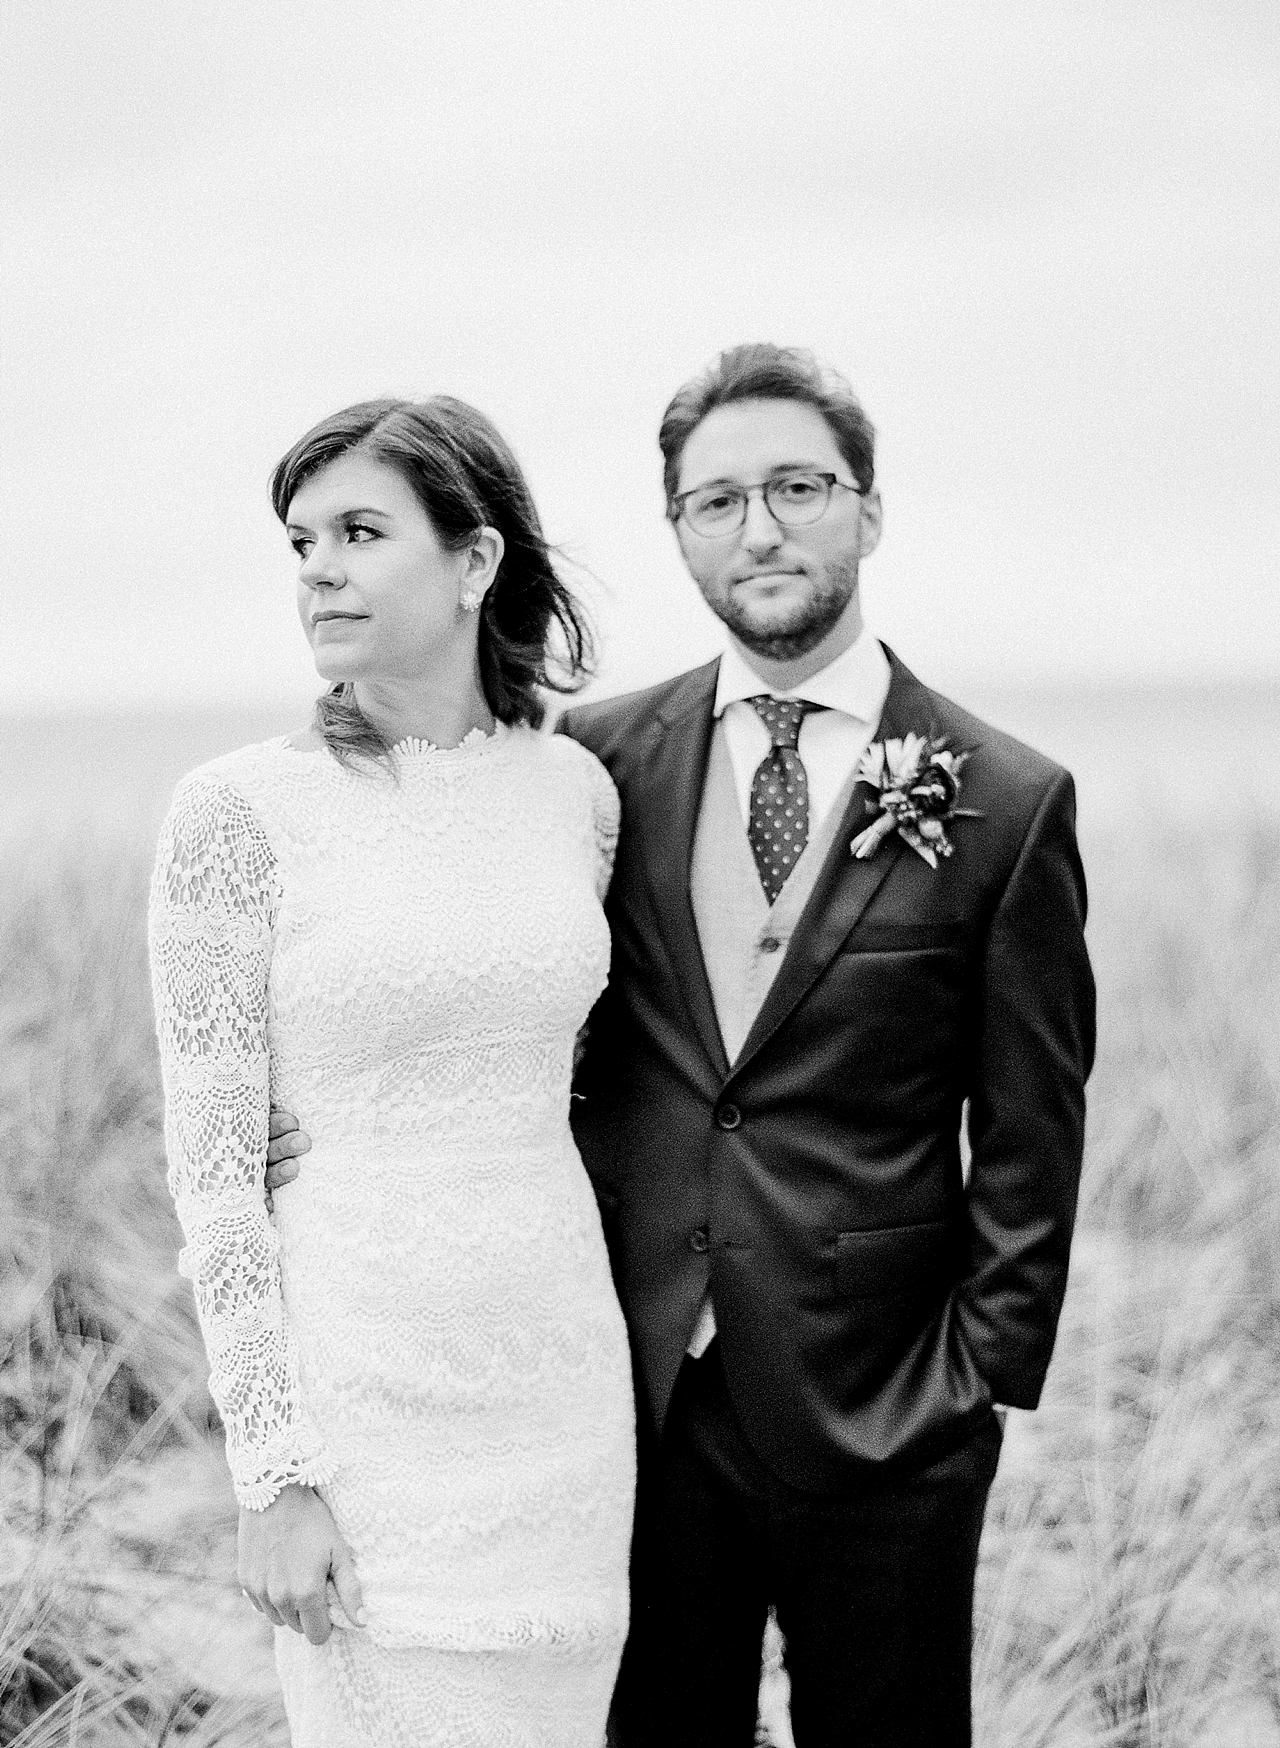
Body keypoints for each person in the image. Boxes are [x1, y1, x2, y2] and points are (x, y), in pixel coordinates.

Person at [268, 344, 1096, 1747]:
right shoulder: (596, 769)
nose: (757, 527)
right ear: (678, 534)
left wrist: (974, 1385)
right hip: (626, 1405)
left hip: (889, 1412)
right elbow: (480, 978)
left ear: (868, 512)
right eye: (715, 501)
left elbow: (1033, 1130)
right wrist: (316, 1125)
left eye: (795, 488)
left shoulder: (1007, 801)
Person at [149, 396, 635, 1748]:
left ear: (475, 561)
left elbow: (562, 1066)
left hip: (558, 1392)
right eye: (303, 541)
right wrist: (273, 1476)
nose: (319, 569)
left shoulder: (575, 798)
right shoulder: (237, 813)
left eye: (361, 532)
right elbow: (211, 1177)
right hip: (365, 1409)